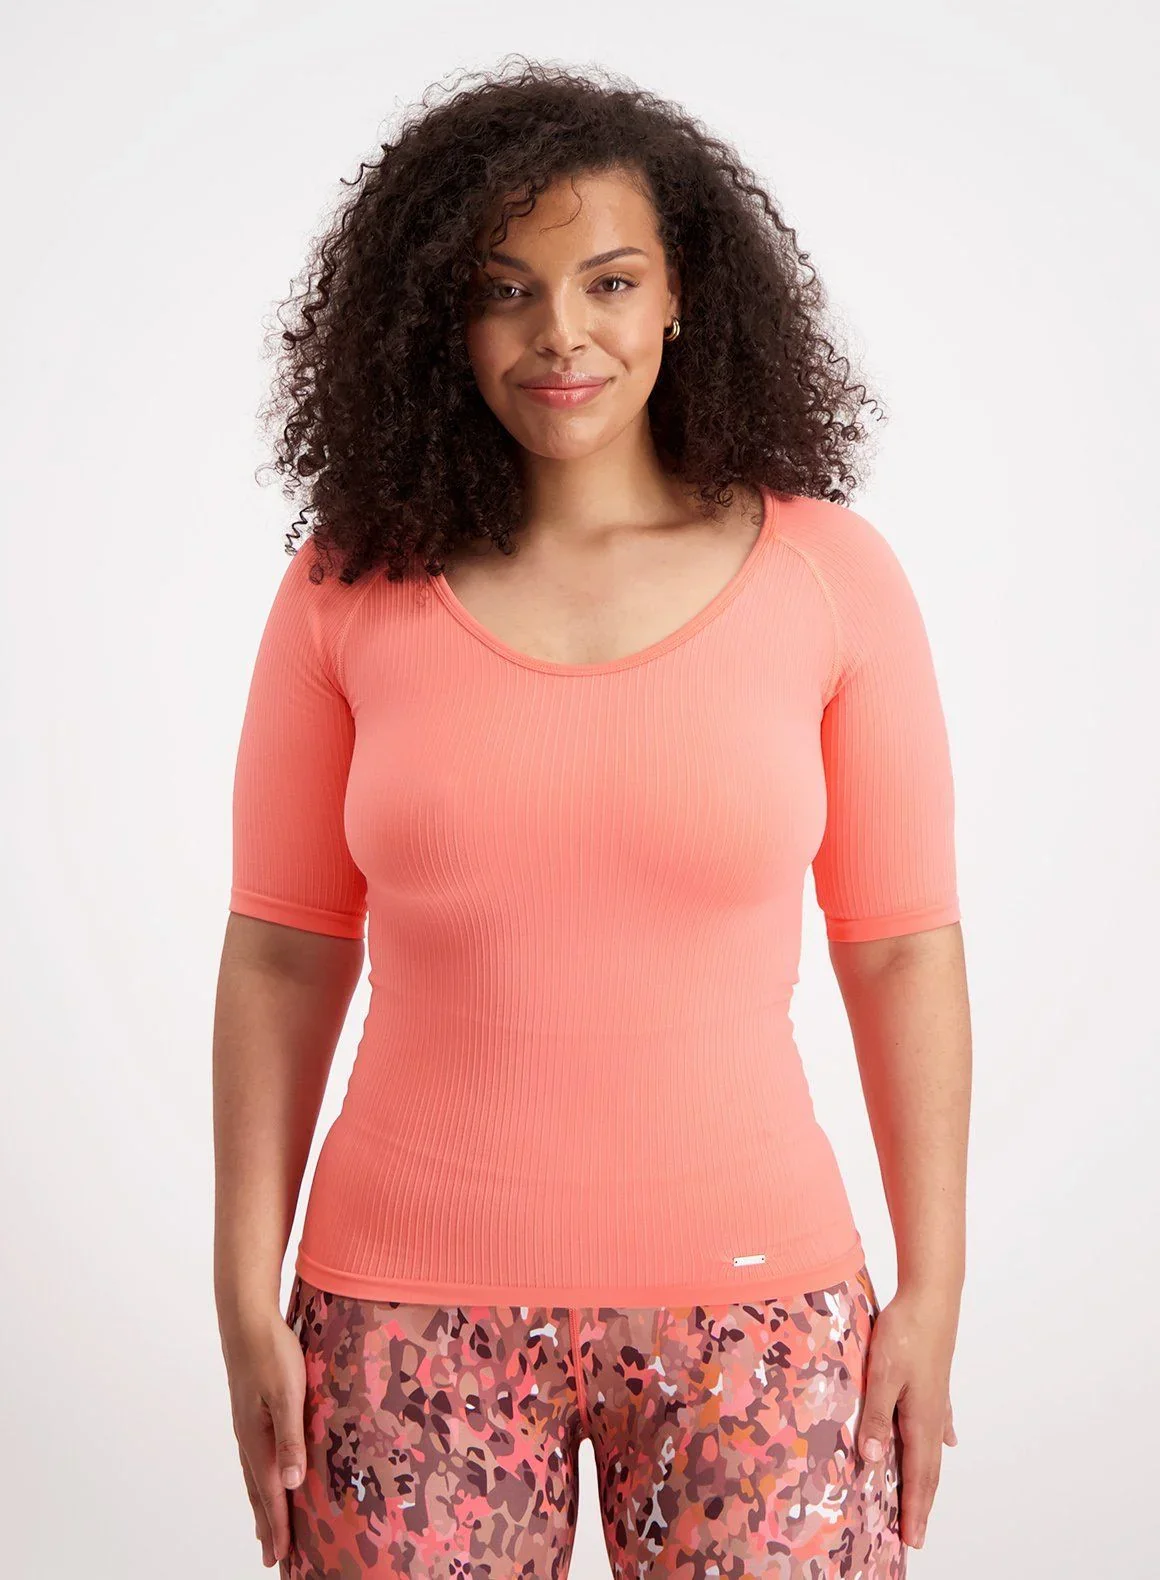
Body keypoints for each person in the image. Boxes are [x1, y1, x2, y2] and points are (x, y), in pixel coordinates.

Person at [213, 60, 971, 1580]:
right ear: (440, 318)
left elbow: (902, 952)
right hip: (397, 1312)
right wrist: (242, 1282)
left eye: (609, 282)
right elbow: (284, 951)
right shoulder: (345, 585)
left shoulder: (829, 576)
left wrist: (934, 1292)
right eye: (506, 291)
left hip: (759, 1313)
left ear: (684, 297)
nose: (562, 332)